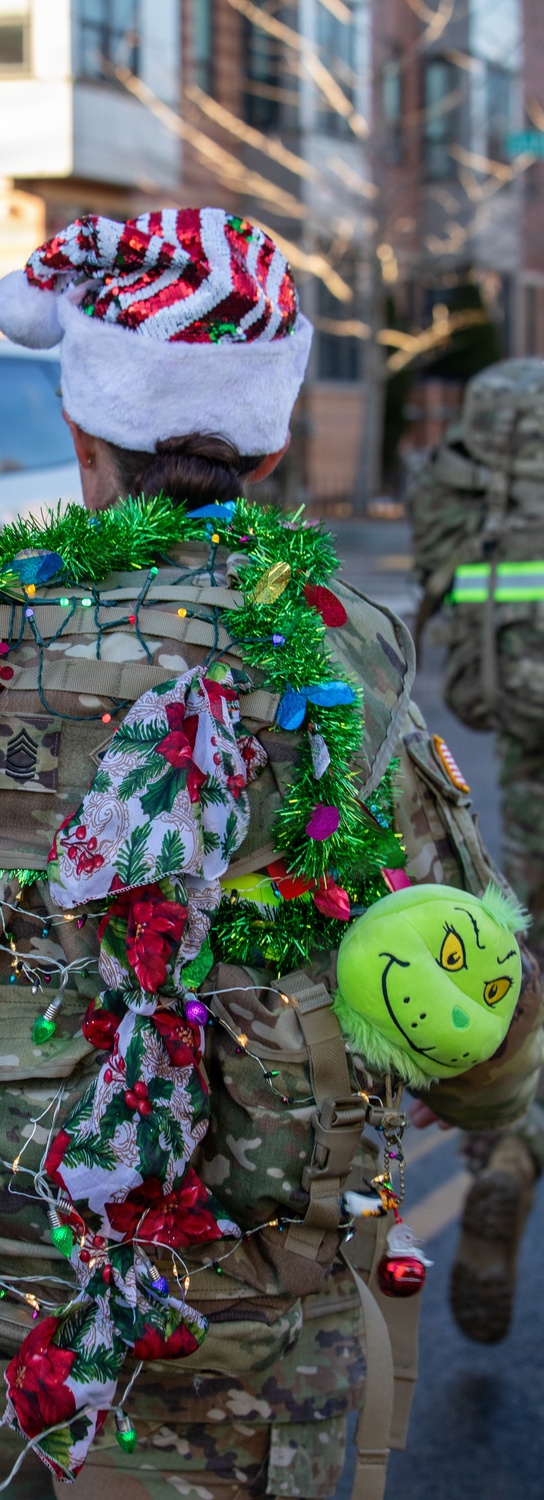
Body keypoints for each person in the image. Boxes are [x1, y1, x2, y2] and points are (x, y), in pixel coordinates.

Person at [0, 212, 541, 1500]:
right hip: (233, 1306)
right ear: (274, 436)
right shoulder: (329, 650)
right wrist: (502, 1123)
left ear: (83, 438)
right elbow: (444, 942)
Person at [408, 359, 544, 1343]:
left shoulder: (490, 429)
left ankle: (507, 1149)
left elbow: (439, 558)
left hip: (526, 716)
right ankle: (518, 1157)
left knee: (529, 951)